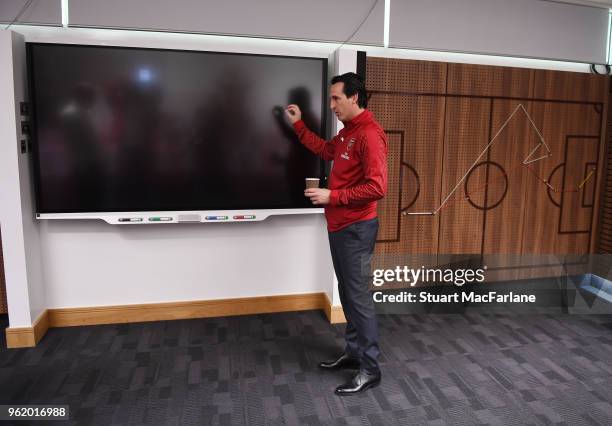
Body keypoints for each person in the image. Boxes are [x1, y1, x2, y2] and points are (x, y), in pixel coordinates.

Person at [285, 72, 388, 395]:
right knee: (347, 294)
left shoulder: (370, 134)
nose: (331, 105)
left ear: (354, 97)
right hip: (339, 227)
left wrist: (334, 196)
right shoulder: (347, 135)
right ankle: (354, 354)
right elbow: (325, 150)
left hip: (357, 228)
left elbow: (378, 187)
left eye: (336, 98)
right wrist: (298, 125)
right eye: (331, 99)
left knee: (358, 300)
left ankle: (370, 370)